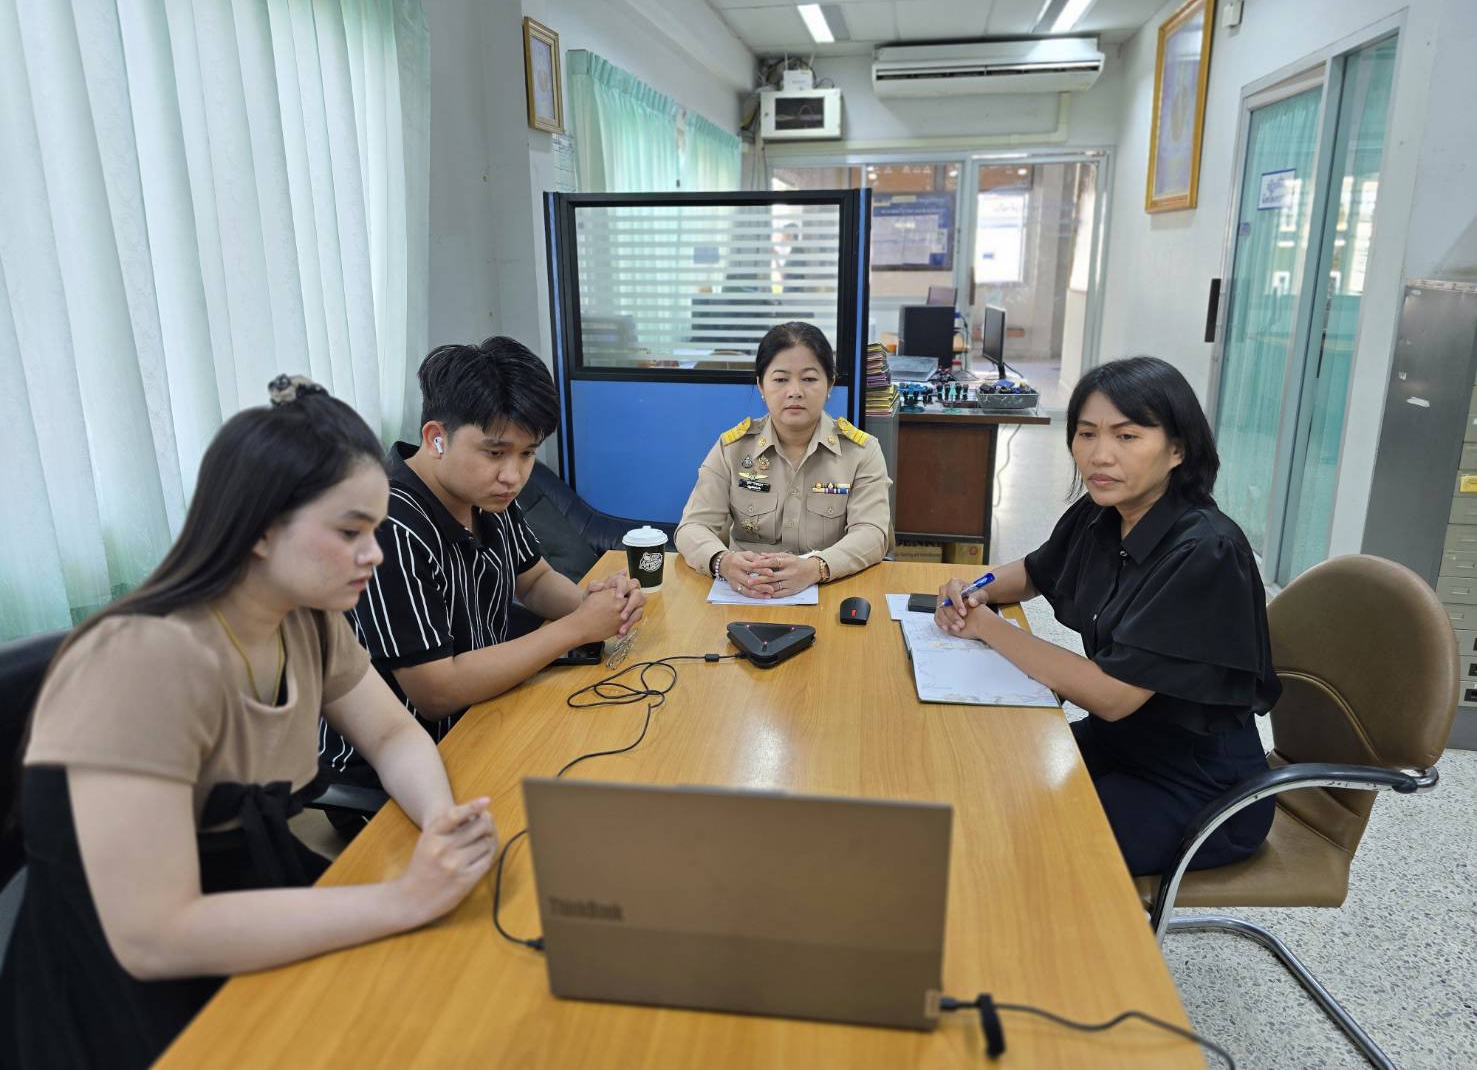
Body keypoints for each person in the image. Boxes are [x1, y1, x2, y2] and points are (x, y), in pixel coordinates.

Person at [0, 377, 499, 1069]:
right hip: (124, 990)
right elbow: (154, 936)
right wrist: (404, 898)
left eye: (376, 532)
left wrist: (439, 817)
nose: (374, 554)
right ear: (263, 527)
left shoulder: (307, 620)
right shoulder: (141, 664)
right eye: (349, 532)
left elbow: (391, 735)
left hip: (249, 906)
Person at [934, 356, 1281, 876]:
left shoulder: (1205, 551)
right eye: (1086, 433)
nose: (1099, 455)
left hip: (1199, 792)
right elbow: (1032, 572)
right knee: (979, 780)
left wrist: (988, 627)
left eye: (1127, 436)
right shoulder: (1103, 513)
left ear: (1177, 449)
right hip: (1119, 748)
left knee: (1013, 844)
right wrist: (976, 591)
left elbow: (1112, 695)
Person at [321, 337, 644, 797]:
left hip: (483, 715)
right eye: (495, 453)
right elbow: (436, 692)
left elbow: (534, 581)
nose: (513, 475)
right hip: (399, 770)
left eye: (527, 454)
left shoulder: (487, 495)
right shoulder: (386, 526)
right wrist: (575, 630)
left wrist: (602, 608)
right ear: (437, 438)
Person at [675, 321, 891, 598]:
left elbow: (872, 534)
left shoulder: (862, 451)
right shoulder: (733, 448)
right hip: (745, 591)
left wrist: (816, 568)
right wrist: (724, 562)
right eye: (780, 379)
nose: (795, 391)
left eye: (809, 378)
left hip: (829, 590)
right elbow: (692, 527)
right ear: (761, 386)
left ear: (830, 385)